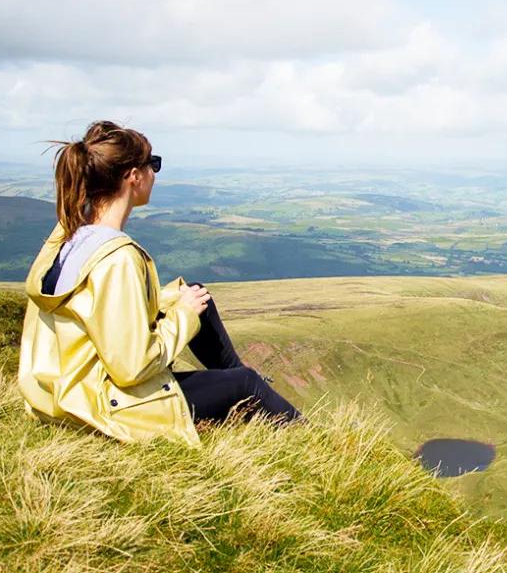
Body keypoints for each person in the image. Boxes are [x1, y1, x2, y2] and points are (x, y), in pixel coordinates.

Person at [18, 120, 301, 446]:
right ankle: (320, 444)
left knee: (197, 295)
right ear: (133, 177)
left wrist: (180, 301)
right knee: (245, 382)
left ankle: (251, 391)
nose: (155, 172)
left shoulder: (69, 237)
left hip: (65, 394)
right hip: (103, 409)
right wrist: (183, 315)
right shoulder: (117, 258)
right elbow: (132, 367)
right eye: (153, 164)